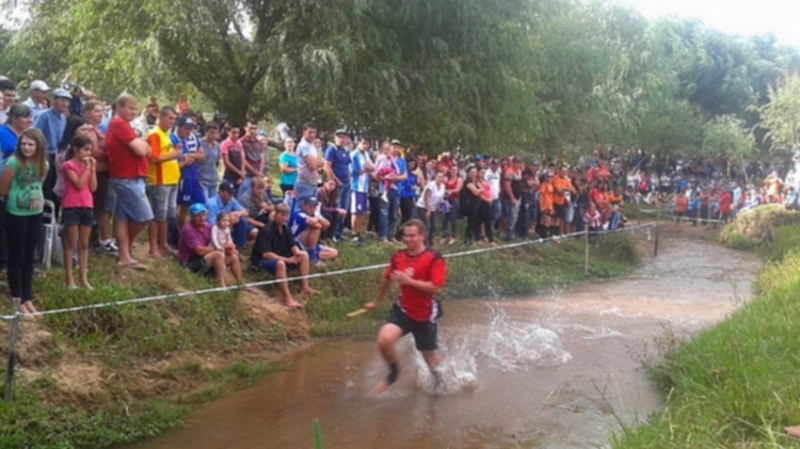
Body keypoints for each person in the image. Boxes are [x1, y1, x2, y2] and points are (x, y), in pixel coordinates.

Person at [363, 219, 448, 395]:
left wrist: (409, 281)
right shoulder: (398, 257)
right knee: (384, 339)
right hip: (403, 309)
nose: (408, 239)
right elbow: (387, 278)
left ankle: (442, 385)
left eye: (412, 236)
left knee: (429, 357)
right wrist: (376, 302)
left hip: (425, 314)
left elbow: (436, 288)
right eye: (405, 235)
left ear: (422, 236)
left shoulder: (434, 258)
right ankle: (394, 372)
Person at [0, 129, 48, 317]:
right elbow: (3, 189)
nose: (27, 148)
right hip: (16, 213)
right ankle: (17, 298)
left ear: (38, 146)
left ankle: (28, 298)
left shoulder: (43, 164)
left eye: (31, 144)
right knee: (17, 257)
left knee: (30, 257)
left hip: (35, 212)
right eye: (24, 144)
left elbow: (40, 184)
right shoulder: (13, 163)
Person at [106, 93, 153, 271]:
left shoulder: (125, 125)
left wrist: (145, 146)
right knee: (144, 216)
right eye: (130, 108)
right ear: (119, 108)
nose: (133, 112)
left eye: (135, 108)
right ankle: (124, 246)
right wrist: (145, 146)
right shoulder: (119, 124)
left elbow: (144, 148)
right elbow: (142, 150)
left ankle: (124, 256)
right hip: (126, 178)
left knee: (123, 217)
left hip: (132, 176)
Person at [250, 203, 317, 309]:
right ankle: (287, 299)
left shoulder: (286, 229)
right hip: (262, 262)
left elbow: (292, 245)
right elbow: (266, 254)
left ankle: (305, 287)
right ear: (275, 214)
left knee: (303, 254)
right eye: (281, 215)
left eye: (286, 215)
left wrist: (296, 252)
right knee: (280, 263)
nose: (284, 218)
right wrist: (287, 260)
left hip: (281, 255)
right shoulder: (266, 230)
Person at [177, 203, 251, 290]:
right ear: (192, 217)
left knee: (233, 256)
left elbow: (220, 232)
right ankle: (222, 285)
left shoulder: (207, 226)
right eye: (198, 216)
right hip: (190, 262)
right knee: (218, 254)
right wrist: (220, 247)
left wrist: (230, 247)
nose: (202, 218)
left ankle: (241, 284)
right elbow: (199, 251)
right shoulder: (188, 230)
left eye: (204, 215)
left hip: (204, 257)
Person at [61, 135, 97, 290]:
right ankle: (69, 278)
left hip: (87, 205)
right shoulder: (68, 165)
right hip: (71, 205)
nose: (88, 153)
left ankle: (84, 278)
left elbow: (93, 187)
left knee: (83, 243)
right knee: (70, 243)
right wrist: (87, 169)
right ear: (76, 149)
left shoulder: (88, 167)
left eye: (90, 150)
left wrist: (92, 170)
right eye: (85, 149)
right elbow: (79, 184)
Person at [145, 107, 181, 259]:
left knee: (167, 215)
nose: (172, 122)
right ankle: (153, 248)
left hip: (172, 179)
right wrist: (173, 155)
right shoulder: (154, 134)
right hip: (160, 180)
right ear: (161, 117)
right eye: (170, 118)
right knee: (156, 215)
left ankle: (164, 244)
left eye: (174, 119)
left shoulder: (167, 135)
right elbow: (153, 158)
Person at [83, 100, 116, 253]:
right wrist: (113, 156)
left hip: (104, 171)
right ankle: (90, 241)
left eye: (102, 111)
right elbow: (93, 151)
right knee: (95, 206)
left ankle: (94, 240)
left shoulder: (97, 129)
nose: (100, 113)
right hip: (95, 171)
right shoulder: (87, 130)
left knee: (101, 206)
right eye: (96, 111)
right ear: (88, 113)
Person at [34, 88, 71, 216]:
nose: (65, 104)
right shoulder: (43, 116)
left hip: (59, 157)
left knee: (58, 189)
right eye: (62, 101)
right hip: (46, 156)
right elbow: (35, 135)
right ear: (54, 100)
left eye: (67, 101)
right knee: (47, 189)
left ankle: (54, 218)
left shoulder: (63, 118)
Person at [174, 115, 206, 232]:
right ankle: (181, 234)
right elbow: (182, 161)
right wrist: (188, 159)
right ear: (179, 127)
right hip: (184, 177)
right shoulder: (175, 138)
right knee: (183, 208)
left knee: (201, 204)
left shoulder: (193, 136)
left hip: (194, 176)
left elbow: (202, 156)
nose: (189, 131)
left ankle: (194, 231)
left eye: (190, 128)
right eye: (186, 128)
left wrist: (191, 156)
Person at [290, 196, 339, 265]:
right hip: (297, 241)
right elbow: (317, 225)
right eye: (310, 206)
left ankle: (313, 255)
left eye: (314, 206)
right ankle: (312, 256)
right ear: (304, 206)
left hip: (310, 242)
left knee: (334, 252)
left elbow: (328, 224)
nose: (312, 209)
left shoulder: (315, 214)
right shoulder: (298, 213)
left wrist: (318, 219)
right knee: (315, 229)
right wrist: (319, 222)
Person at [325, 129, 352, 241]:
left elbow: (346, 166)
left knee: (344, 209)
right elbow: (327, 167)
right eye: (339, 137)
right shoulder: (332, 149)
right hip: (337, 185)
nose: (341, 139)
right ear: (334, 138)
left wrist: (349, 177)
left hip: (346, 184)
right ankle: (332, 234)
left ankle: (339, 233)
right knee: (337, 208)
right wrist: (336, 181)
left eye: (343, 137)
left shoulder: (345, 151)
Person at [205, 180, 249, 249]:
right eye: (229, 193)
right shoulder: (211, 203)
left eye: (232, 193)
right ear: (221, 192)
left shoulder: (231, 199)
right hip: (214, 230)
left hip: (225, 226)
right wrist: (228, 221)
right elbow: (212, 225)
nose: (231, 195)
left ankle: (239, 247)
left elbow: (246, 212)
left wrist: (237, 213)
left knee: (242, 220)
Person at [350, 138, 373, 242]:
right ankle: (354, 233)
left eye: (367, 144)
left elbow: (373, 167)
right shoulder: (354, 154)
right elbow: (358, 171)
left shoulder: (366, 154)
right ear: (358, 143)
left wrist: (366, 167)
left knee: (361, 212)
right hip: (356, 186)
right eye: (363, 143)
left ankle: (358, 232)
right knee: (355, 211)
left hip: (364, 187)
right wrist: (366, 168)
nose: (365, 146)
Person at [236, 175, 274, 241]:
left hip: (257, 217)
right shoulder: (245, 199)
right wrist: (260, 224)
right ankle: (244, 240)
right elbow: (245, 218)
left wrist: (267, 207)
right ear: (252, 187)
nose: (260, 191)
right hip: (246, 221)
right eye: (258, 188)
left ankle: (271, 236)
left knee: (274, 214)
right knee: (254, 232)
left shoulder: (263, 194)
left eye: (262, 188)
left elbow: (273, 207)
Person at [415, 170, 446, 247]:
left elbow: (440, 198)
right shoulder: (431, 185)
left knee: (434, 226)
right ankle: (424, 244)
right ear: (436, 177)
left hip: (433, 208)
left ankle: (429, 240)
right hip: (423, 207)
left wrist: (440, 207)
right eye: (438, 176)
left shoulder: (443, 186)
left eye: (441, 177)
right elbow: (426, 198)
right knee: (426, 225)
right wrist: (428, 210)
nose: (440, 178)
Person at [295, 122, 323, 202]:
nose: (312, 135)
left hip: (313, 183)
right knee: (302, 210)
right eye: (310, 132)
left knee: (311, 211)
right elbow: (312, 166)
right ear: (304, 132)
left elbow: (322, 162)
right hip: (304, 184)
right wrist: (318, 163)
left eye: (314, 132)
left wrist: (318, 163)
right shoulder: (304, 145)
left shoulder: (312, 146)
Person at [240, 120, 265, 194]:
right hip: (247, 174)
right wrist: (255, 172)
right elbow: (243, 160)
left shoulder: (258, 142)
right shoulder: (241, 142)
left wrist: (260, 172)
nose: (253, 131)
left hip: (258, 174)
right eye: (251, 128)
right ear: (245, 128)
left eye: (255, 128)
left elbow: (262, 158)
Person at [198, 121, 221, 201]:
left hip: (213, 181)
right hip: (202, 181)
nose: (214, 135)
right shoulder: (199, 144)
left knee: (213, 205)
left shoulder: (217, 146)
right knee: (206, 205)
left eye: (216, 133)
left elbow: (217, 162)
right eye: (212, 133)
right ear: (206, 132)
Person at [221, 123, 245, 194]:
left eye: (237, 133)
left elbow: (243, 159)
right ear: (228, 132)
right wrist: (239, 172)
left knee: (238, 195)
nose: (236, 135)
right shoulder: (225, 144)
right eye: (233, 132)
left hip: (239, 176)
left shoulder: (239, 144)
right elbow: (227, 162)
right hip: (229, 175)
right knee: (228, 195)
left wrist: (242, 174)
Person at [441, 165, 462, 245]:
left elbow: (457, 189)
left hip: (454, 200)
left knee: (453, 218)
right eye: (452, 170)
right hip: (446, 200)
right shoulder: (447, 179)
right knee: (445, 218)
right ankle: (444, 235)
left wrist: (449, 191)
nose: (453, 171)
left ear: (457, 171)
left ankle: (453, 236)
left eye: (455, 170)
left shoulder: (459, 180)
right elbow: (442, 187)